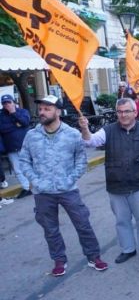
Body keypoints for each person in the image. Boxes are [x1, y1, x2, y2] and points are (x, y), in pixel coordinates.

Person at [19, 95, 108, 276]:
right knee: (50, 228)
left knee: (83, 223)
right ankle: (59, 260)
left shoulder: (72, 134)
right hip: (42, 192)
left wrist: (69, 180)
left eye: (47, 109)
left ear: (58, 112)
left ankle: (93, 256)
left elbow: (81, 162)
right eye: (41, 109)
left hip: (68, 190)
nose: (42, 112)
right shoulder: (31, 135)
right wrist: (36, 181)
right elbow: (24, 161)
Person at [79, 98, 139, 263]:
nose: (123, 115)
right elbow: (90, 141)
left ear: (135, 112)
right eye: (120, 112)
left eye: (127, 111)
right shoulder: (108, 130)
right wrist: (85, 129)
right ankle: (128, 249)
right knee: (122, 221)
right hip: (116, 185)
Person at [0, 94, 31, 198]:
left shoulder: (22, 112)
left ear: (14, 102)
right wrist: (16, 126)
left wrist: (13, 113)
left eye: (9, 102)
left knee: (31, 166)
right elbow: (2, 128)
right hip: (11, 147)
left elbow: (25, 122)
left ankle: (38, 184)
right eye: (4, 103)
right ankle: (26, 188)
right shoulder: (1, 116)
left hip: (25, 145)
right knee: (18, 170)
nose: (7, 105)